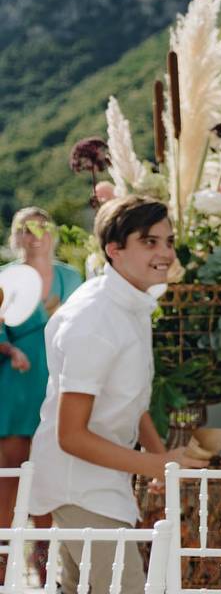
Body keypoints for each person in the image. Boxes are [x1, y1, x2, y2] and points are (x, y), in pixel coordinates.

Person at [26, 196, 206, 594]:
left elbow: (132, 402)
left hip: (102, 486)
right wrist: (154, 464)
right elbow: (70, 435)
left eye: (168, 241)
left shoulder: (130, 305)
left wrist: (159, 459)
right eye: (149, 241)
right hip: (80, 488)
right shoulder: (95, 318)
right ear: (114, 249)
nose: (164, 252)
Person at [0, 207, 82, 583]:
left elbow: (84, 324)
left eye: (41, 227)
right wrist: (8, 348)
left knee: (51, 474)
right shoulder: (6, 277)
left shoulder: (71, 276)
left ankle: (49, 565)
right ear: (16, 235)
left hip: (60, 383)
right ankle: (3, 564)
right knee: (10, 476)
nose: (34, 235)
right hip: (17, 384)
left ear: (52, 232)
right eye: (25, 229)